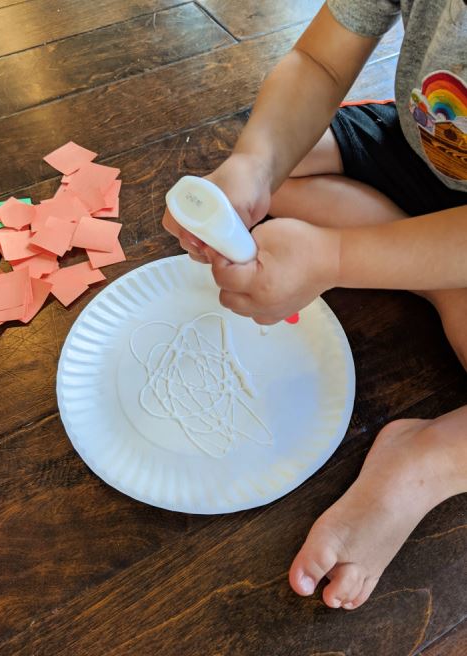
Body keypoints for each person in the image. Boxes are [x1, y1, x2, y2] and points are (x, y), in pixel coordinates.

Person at [163, 0, 467, 610]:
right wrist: (254, 164)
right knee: (281, 169)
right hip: (427, 151)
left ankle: (429, 463)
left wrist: (334, 257)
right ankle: (440, 281)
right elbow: (319, 63)